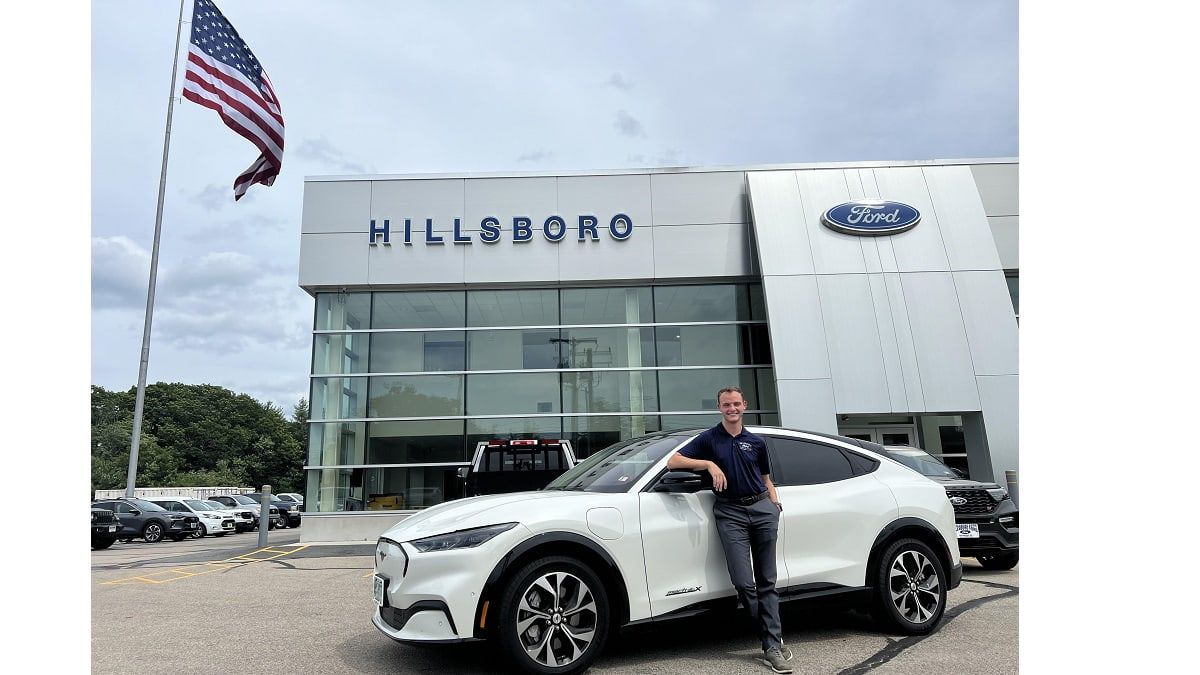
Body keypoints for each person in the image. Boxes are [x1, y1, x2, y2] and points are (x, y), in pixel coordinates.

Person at [666, 386, 793, 673]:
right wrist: (709, 464)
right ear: (719, 407)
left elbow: (765, 478)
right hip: (730, 512)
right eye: (726, 404)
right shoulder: (710, 438)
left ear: (744, 405)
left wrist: (774, 504)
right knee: (743, 583)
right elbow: (673, 461)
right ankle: (771, 637)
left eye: (736, 403)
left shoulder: (756, 442)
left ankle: (771, 647)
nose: (732, 408)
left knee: (767, 582)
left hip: (762, 509)